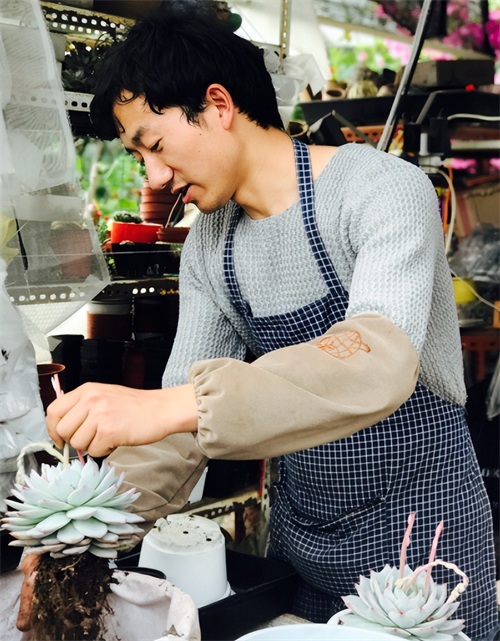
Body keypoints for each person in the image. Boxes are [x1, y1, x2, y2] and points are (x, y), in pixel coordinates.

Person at [46, 8, 497, 639]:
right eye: (138, 155)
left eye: (154, 145)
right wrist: (74, 533)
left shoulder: (382, 190)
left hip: (425, 547)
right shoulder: (211, 244)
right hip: (303, 547)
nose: (154, 177)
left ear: (218, 104)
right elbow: (180, 435)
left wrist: (173, 405)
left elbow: (377, 359)